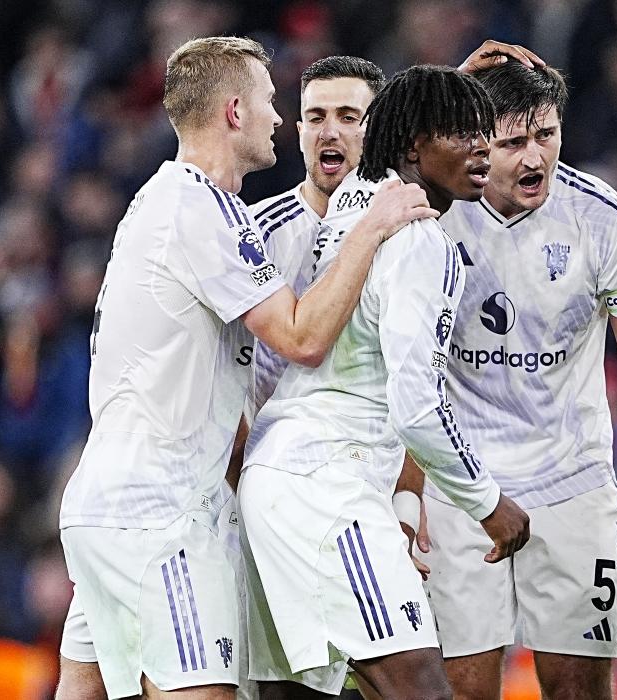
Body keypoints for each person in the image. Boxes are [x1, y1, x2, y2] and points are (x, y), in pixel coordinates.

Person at [55, 36, 432, 700]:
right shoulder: (201, 208)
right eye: (269, 101)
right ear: (234, 111)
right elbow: (302, 337)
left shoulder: (163, 199)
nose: (278, 118)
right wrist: (374, 227)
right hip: (162, 514)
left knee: (83, 689)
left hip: (112, 504)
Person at [238, 65, 531, 700]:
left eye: (484, 132)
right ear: (412, 145)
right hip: (328, 484)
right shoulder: (420, 240)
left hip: (283, 476)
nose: (482, 148)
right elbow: (417, 406)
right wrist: (489, 503)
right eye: (461, 132)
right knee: (424, 690)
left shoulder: (353, 204)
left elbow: (396, 126)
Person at [401, 57, 617, 700]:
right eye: (512, 142)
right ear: (474, 142)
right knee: (463, 691)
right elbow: (405, 378)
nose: (535, 158)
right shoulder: (430, 212)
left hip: (572, 482)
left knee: (578, 690)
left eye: (546, 135)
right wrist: (408, 503)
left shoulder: (604, 220)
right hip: (460, 484)